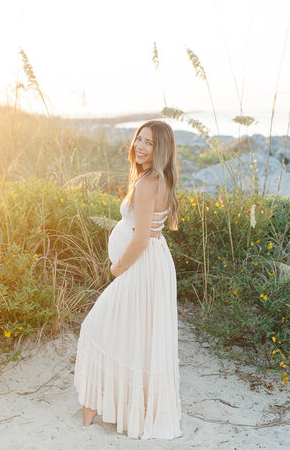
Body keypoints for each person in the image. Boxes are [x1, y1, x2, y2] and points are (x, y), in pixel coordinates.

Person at [73, 120, 182, 439]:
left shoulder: (149, 183)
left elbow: (142, 239)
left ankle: (95, 405)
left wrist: (117, 269)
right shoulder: (154, 178)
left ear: (160, 148)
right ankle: (115, 405)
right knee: (137, 334)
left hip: (141, 266)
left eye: (149, 143)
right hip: (153, 265)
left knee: (99, 325)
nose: (140, 146)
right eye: (139, 139)